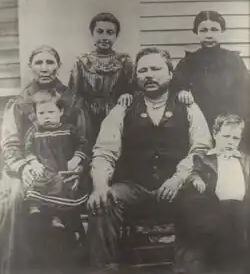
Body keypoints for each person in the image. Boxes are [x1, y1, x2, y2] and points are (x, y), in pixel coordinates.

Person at [86, 47, 212, 273]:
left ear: (170, 74)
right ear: (136, 77)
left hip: (177, 187)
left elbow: (201, 148)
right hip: (134, 187)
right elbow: (105, 151)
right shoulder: (123, 108)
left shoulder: (188, 106)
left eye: (156, 69)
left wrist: (178, 179)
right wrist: (100, 185)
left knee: (198, 201)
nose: (149, 75)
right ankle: (105, 268)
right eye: (143, 70)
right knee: (103, 201)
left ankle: (188, 269)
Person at [0, 45, 91, 273]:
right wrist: (23, 167)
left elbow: (86, 138)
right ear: (30, 66)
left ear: (58, 66)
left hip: (66, 168)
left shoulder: (74, 101)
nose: (44, 68)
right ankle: (14, 265)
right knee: (13, 196)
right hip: (27, 166)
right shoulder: (18, 103)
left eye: (50, 62)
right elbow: (10, 144)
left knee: (69, 191)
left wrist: (79, 166)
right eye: (39, 62)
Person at [180, 114, 249, 273]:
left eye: (235, 138)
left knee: (240, 244)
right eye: (225, 136)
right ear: (215, 134)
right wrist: (196, 179)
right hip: (216, 209)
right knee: (220, 242)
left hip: (242, 209)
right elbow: (194, 173)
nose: (230, 141)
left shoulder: (245, 160)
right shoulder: (204, 158)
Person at [174, 10, 250, 146]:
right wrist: (182, 91)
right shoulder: (188, 62)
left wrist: (235, 121)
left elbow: (245, 92)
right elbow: (176, 85)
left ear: (222, 32)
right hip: (201, 123)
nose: (209, 35)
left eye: (214, 29)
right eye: (203, 30)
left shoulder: (234, 60)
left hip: (231, 123)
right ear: (196, 33)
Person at [24, 90, 90, 228]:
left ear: (60, 111)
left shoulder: (69, 130)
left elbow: (83, 144)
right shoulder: (35, 133)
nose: (46, 117)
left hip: (62, 169)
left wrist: (76, 159)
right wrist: (33, 162)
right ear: (35, 114)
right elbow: (28, 149)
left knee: (63, 187)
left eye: (51, 112)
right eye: (41, 113)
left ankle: (57, 218)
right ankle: (34, 212)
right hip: (45, 169)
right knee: (35, 186)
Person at [68, 12, 134, 140]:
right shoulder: (82, 62)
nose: (104, 37)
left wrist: (128, 94)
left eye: (110, 33)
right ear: (92, 33)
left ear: (116, 36)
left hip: (116, 112)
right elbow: (73, 93)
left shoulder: (125, 61)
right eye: (100, 31)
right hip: (86, 115)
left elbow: (133, 88)